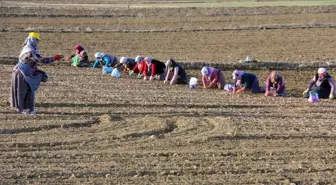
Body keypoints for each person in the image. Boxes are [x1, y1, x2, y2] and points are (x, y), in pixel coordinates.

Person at [10, 32, 63, 114]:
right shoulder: (30, 52)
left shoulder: (27, 49)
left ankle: (29, 110)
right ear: (33, 40)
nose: (38, 42)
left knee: (28, 91)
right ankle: (22, 110)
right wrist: (54, 58)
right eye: (37, 40)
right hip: (22, 74)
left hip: (24, 73)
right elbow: (41, 60)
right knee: (23, 92)